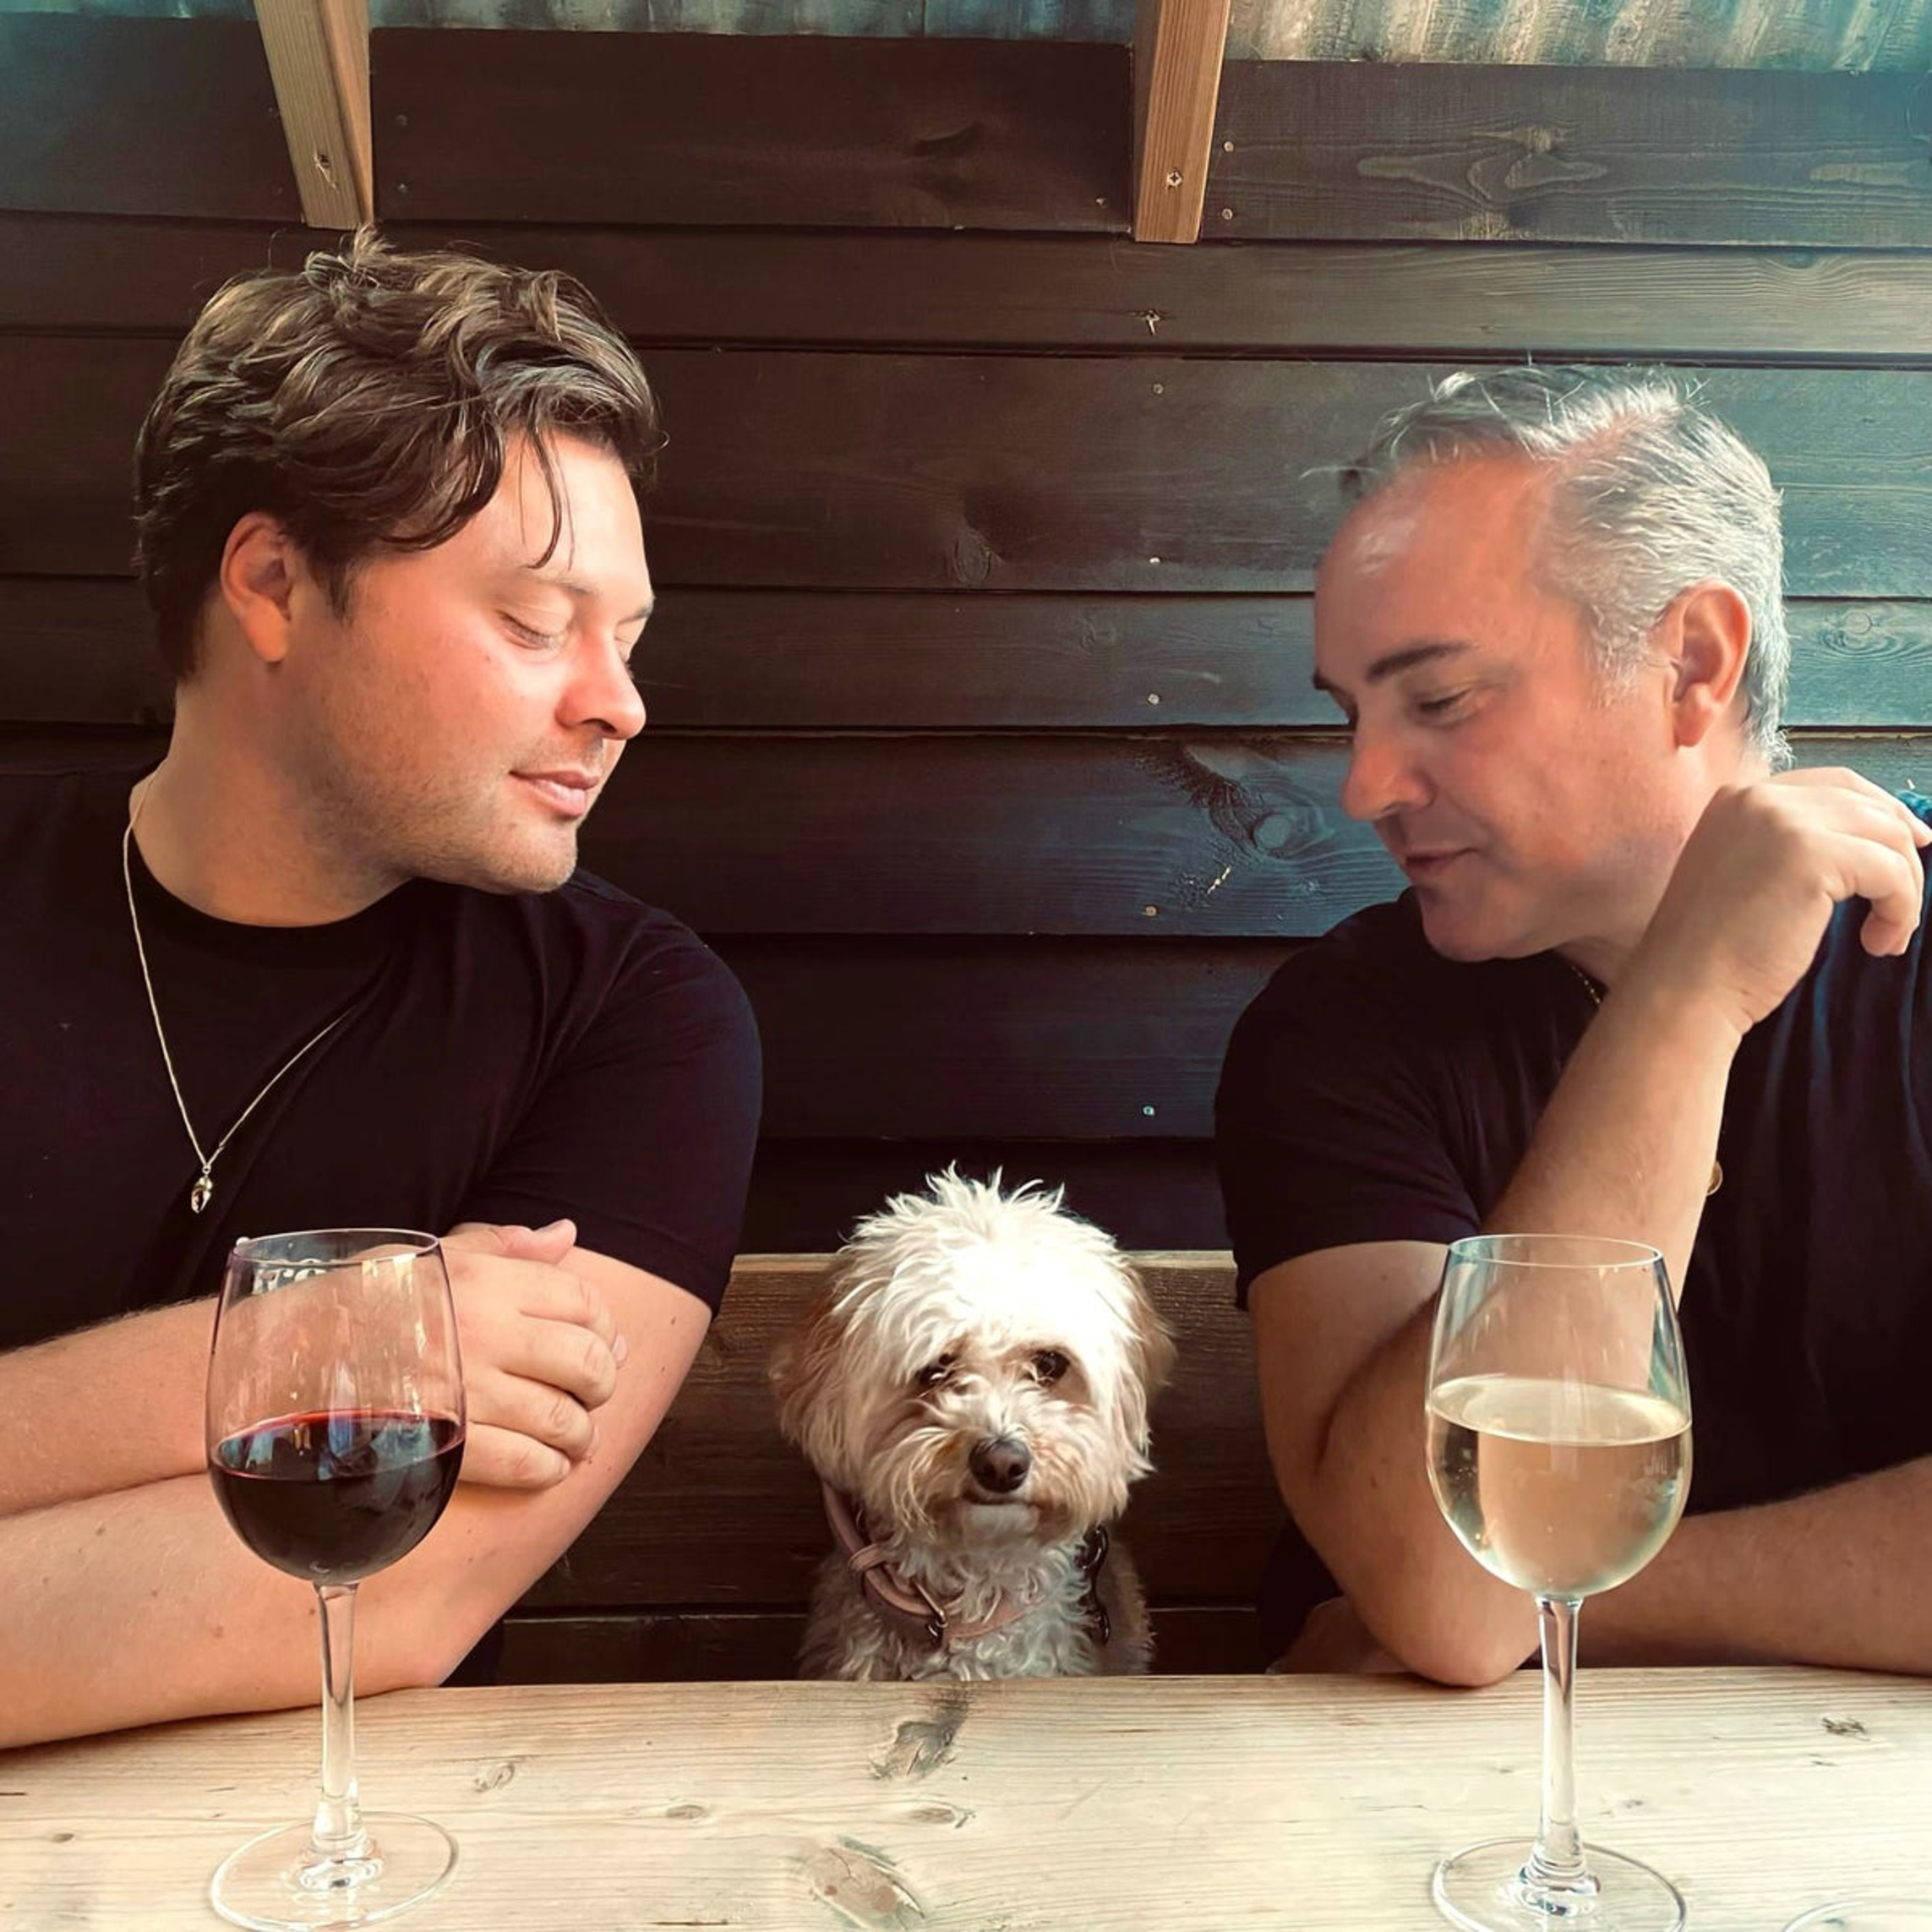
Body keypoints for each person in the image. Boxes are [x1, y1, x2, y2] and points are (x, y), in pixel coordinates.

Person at [0, 232, 761, 1745]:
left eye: (626, 638)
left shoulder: (638, 1015)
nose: (618, 702)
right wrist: (347, 1337)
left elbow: (398, 1593)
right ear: (274, 584)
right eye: (535, 622)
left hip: (359, 1842)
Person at [1215, 365, 1932, 1684]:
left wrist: (1600, 1591)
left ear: (1690, 665)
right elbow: (1452, 1592)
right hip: (1422, 1792)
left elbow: (1492, 1600)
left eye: (1438, 700)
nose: (1363, 785)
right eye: (1351, 714)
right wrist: (1684, 997)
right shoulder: (1337, 1032)